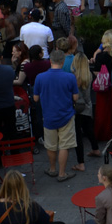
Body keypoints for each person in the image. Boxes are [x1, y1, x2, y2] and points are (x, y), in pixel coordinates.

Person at [33, 50, 80, 182]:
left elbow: (35, 98)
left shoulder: (40, 77)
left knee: (50, 145)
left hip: (48, 116)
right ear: (63, 62)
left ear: (50, 61)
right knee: (64, 145)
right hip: (66, 115)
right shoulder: (70, 77)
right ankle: (62, 173)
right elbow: (75, 97)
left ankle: (52, 169)